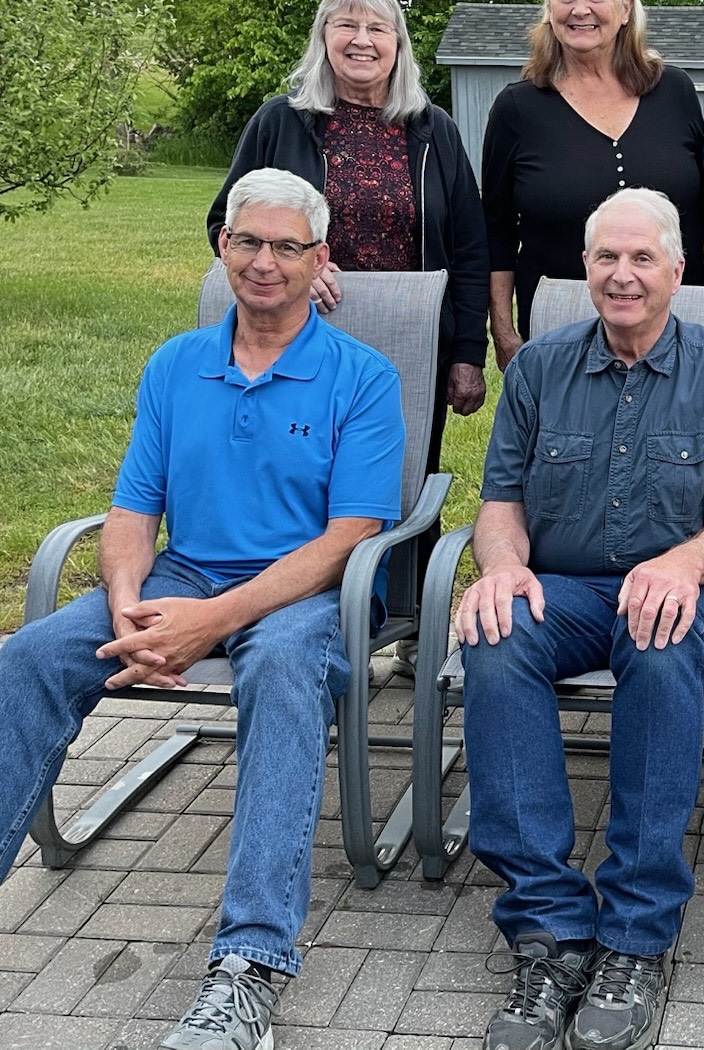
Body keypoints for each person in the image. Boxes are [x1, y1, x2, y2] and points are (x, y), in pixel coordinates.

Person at [0, 168, 405, 1050]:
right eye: (247, 243)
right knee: (26, 656)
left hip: (310, 592)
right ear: (222, 249)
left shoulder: (361, 377)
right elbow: (134, 512)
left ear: (319, 259)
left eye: (287, 247)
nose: (265, 263)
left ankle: (249, 967)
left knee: (285, 669)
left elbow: (347, 538)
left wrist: (210, 625)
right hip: (181, 575)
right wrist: (129, 613)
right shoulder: (174, 365)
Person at [455, 188, 704, 1050]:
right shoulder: (536, 368)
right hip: (561, 586)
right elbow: (502, 503)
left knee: (658, 635)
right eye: (607, 258)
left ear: (679, 272)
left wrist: (680, 563)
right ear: (584, 269)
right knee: (495, 635)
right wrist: (502, 569)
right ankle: (549, 927)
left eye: (643, 259)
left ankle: (636, 930)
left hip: (687, 587)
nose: (623, 276)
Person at [207, 0, 490, 442]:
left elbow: (471, 248)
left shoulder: (433, 130)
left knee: (399, 475)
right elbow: (224, 224)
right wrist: (287, 264)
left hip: (411, 334)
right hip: (298, 332)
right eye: (347, 26)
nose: (362, 40)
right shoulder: (280, 121)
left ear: (398, 44)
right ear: (324, 38)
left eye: (378, 28)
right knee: (294, 465)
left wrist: (466, 353)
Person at [482, 0, 704, 365]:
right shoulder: (518, 108)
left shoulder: (674, 92)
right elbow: (495, 230)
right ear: (550, 10)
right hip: (558, 328)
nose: (580, 9)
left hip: (675, 326)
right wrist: (504, 329)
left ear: (625, 8)